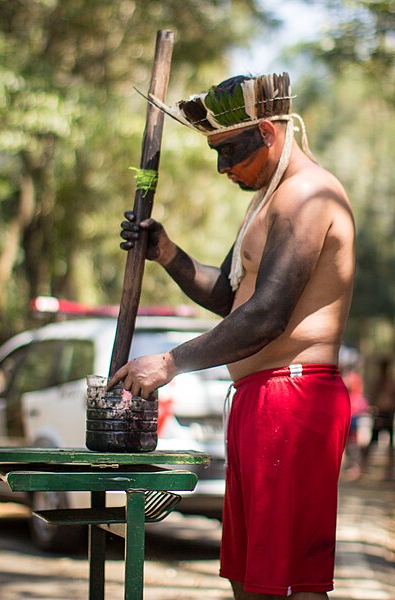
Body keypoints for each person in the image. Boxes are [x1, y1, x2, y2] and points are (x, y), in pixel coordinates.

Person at [108, 72, 355, 599]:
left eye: (230, 151)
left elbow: (267, 316)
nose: (223, 168)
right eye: (215, 154)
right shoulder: (269, 198)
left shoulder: (308, 196)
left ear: (267, 131)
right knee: (250, 580)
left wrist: (171, 362)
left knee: (289, 582)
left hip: (294, 400)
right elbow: (229, 295)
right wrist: (166, 251)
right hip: (258, 400)